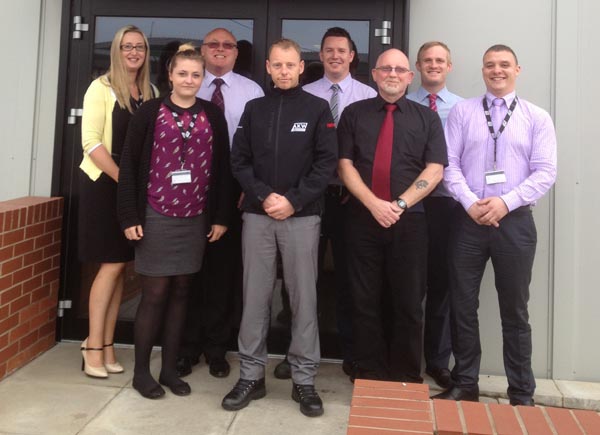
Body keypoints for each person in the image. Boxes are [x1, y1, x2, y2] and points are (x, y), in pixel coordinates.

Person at [434, 45, 557, 405]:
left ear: (517, 69)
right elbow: (449, 165)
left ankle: (521, 391)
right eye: (490, 65)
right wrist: (472, 203)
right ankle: (465, 383)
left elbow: (546, 172)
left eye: (504, 65)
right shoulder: (462, 112)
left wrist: (504, 202)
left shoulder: (537, 117)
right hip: (468, 220)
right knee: (462, 304)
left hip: (515, 222)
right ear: (483, 70)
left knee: (515, 310)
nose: (497, 70)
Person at [222, 38, 337, 417]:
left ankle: (304, 380)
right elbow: (239, 160)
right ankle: (252, 376)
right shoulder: (255, 109)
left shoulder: (318, 109)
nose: (285, 71)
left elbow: (326, 163)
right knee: (254, 297)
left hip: (301, 217)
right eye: (278, 65)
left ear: (302, 67)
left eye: (291, 65)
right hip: (257, 215)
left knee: (303, 298)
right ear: (268, 68)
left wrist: (292, 200)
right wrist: (264, 196)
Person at [117, 44, 233, 399]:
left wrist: (221, 216)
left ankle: (169, 369)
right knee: (154, 295)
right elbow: (129, 166)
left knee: (183, 292)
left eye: (195, 74)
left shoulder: (212, 115)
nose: (189, 80)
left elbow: (222, 170)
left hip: (195, 218)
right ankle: (141, 372)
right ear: (169, 75)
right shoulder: (150, 112)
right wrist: (129, 215)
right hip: (155, 215)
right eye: (182, 73)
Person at [337, 48, 447, 383]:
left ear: (410, 77)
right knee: (363, 296)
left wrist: (398, 205)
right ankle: (369, 368)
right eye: (386, 68)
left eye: (400, 69)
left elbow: (435, 168)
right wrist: (373, 203)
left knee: (409, 299)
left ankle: (404, 372)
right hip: (362, 217)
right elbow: (345, 164)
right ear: (374, 74)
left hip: (409, 220)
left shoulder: (426, 117)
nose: (393, 74)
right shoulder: (354, 114)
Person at [274, 27, 376, 380]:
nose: (335, 55)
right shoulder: (303, 95)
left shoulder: (368, 96)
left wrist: (359, 189)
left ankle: (350, 353)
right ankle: (296, 351)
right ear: (320, 56)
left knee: (350, 279)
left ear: (352, 56)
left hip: (351, 201)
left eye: (341, 50)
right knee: (300, 280)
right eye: (329, 50)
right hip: (308, 199)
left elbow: (371, 152)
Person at [176, 27, 264, 379]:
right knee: (188, 273)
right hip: (187, 192)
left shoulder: (252, 91)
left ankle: (217, 348)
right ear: (203, 50)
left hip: (234, 191)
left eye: (228, 45)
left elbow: (260, 146)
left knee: (224, 274)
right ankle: (186, 347)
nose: (221, 50)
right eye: (213, 45)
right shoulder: (190, 86)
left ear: (236, 53)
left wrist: (250, 187)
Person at [78, 25, 155, 379]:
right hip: (104, 185)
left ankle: (107, 345)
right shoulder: (101, 88)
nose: (134, 52)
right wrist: (125, 180)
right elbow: (91, 143)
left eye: (139, 46)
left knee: (122, 266)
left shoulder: (151, 91)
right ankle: (92, 345)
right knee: (109, 265)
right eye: (127, 46)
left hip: (132, 189)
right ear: (117, 50)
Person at [406, 41, 463, 389]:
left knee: (442, 285)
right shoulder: (401, 104)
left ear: (449, 66)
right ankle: (406, 358)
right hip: (408, 205)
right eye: (427, 60)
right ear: (418, 65)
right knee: (407, 285)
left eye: (440, 60)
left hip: (446, 206)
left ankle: (438, 361)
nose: (433, 65)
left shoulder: (462, 109)